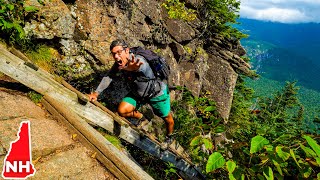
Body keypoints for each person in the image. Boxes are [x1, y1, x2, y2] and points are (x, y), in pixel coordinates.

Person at [88, 39, 174, 147]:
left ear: (127, 51)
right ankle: (143, 118)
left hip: (156, 94)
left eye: (119, 52)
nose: (116, 56)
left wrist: (132, 69)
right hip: (138, 94)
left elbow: (141, 67)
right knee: (122, 111)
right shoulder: (119, 63)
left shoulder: (138, 60)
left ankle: (170, 137)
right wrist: (96, 93)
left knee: (167, 119)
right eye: (114, 54)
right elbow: (109, 76)